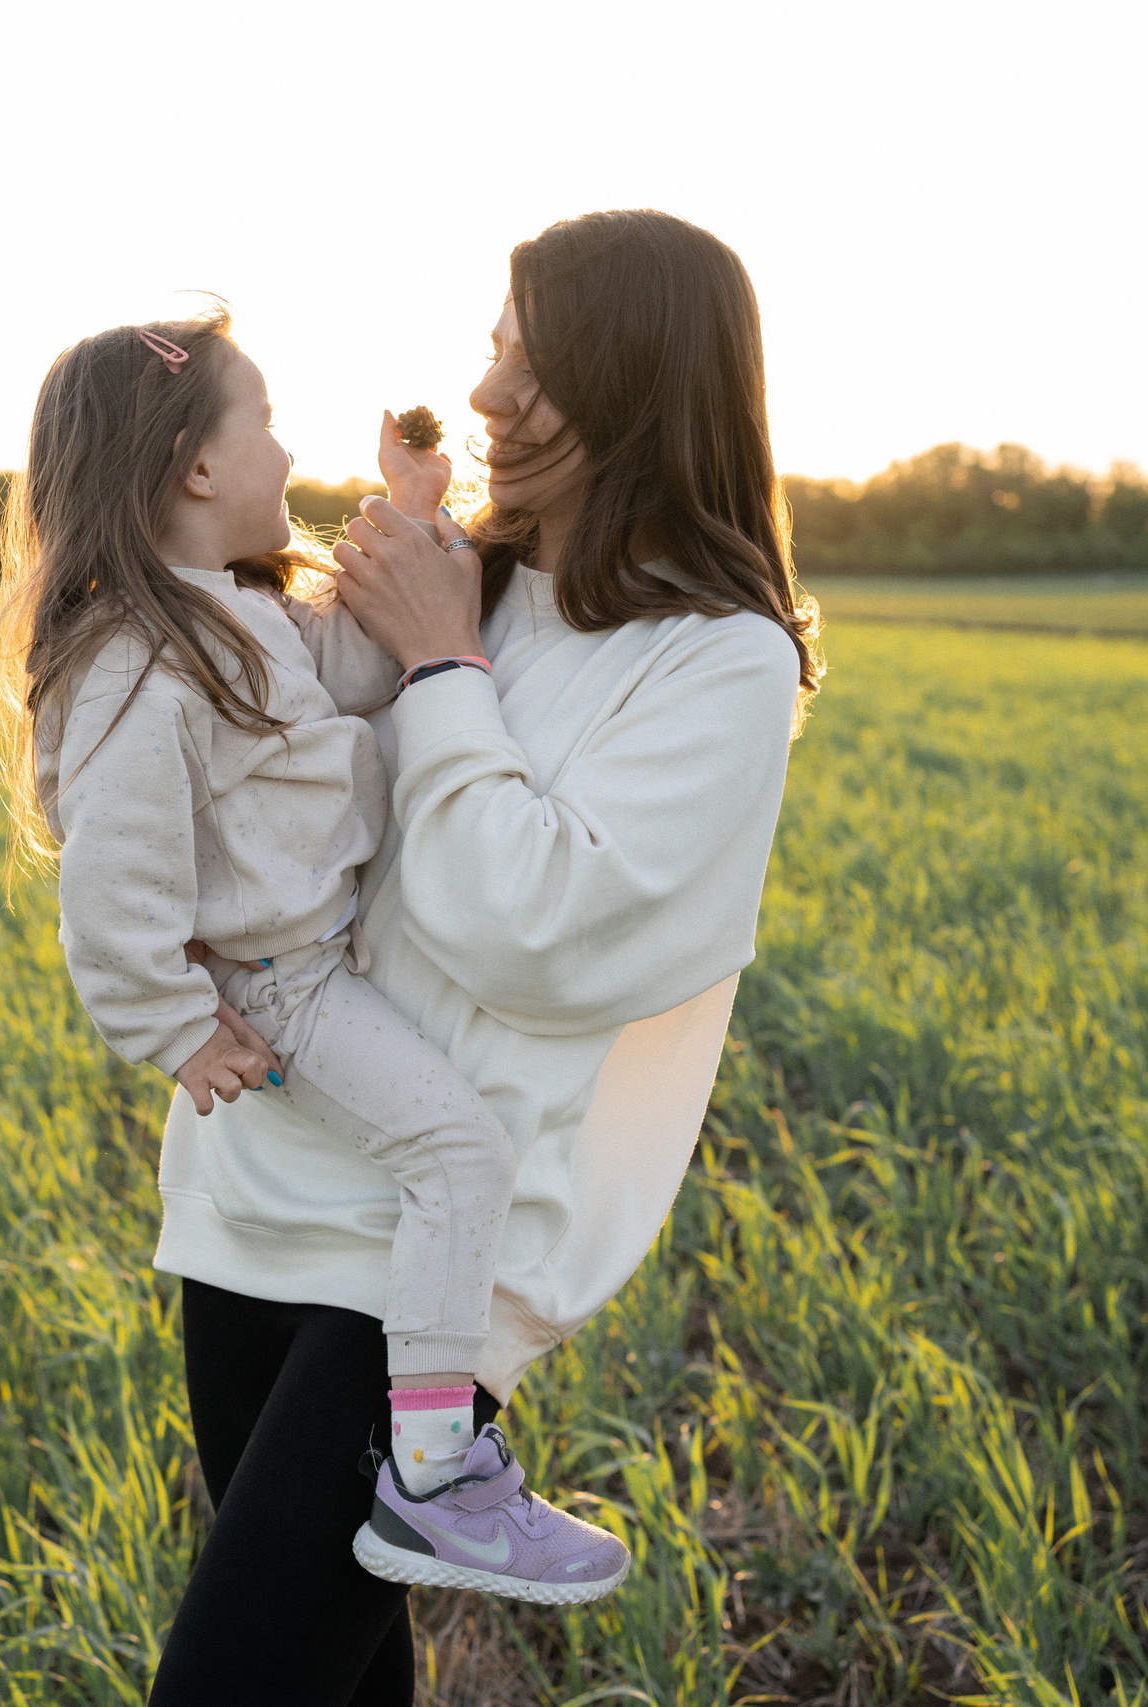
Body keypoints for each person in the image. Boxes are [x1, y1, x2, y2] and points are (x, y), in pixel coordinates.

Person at [141, 210, 823, 1706]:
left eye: (541, 365)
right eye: (496, 350)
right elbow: (260, 784)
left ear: (644, 388)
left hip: (426, 1265)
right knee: (339, 1685)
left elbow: (537, 933)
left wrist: (445, 664)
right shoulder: (453, 582)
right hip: (254, 1186)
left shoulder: (718, 655)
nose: (491, 396)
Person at [0, 309, 632, 1612]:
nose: (285, 451)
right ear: (196, 468)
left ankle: (429, 1465)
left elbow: (356, 660)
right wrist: (172, 1022)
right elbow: (112, 882)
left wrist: (412, 514)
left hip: (316, 959)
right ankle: (435, 1473)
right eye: (264, 423)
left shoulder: (231, 614)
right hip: (283, 985)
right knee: (460, 1153)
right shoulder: (134, 662)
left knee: (450, 1153)